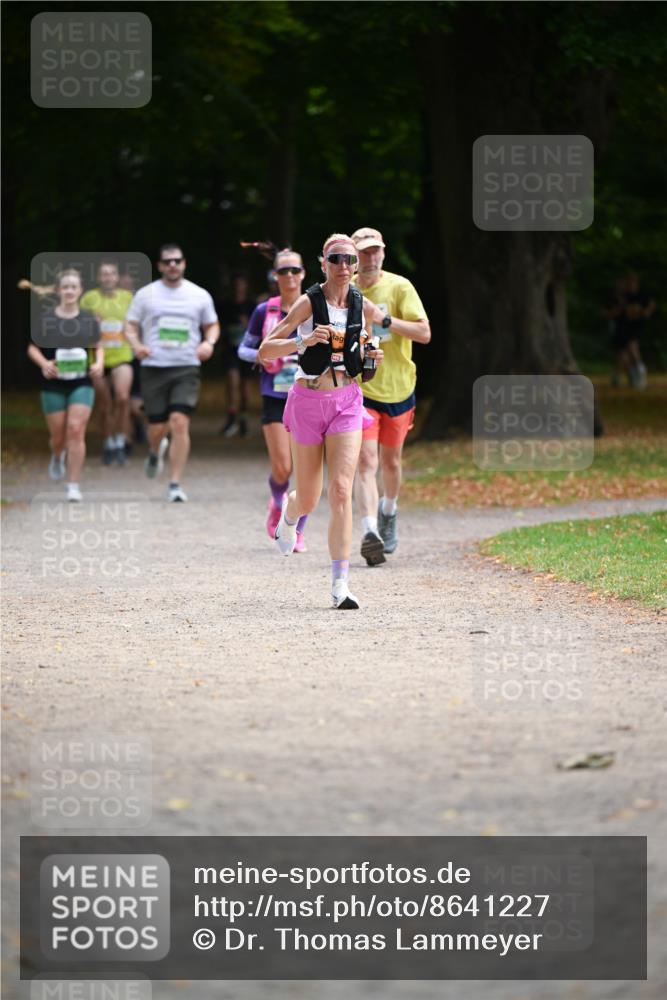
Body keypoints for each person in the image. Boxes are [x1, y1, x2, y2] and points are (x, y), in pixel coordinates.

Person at [258, 233, 384, 609]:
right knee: (310, 496)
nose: (343, 267)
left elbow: (367, 359)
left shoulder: (363, 306)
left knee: (341, 491)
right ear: (323, 263)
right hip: (308, 400)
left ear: (357, 264)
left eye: (349, 260)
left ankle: (339, 584)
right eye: (335, 260)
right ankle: (289, 516)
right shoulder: (306, 303)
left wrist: (372, 356)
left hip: (346, 401)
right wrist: (304, 341)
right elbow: (267, 351)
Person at [351, 227, 431, 565]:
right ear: (353, 257)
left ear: (383, 253)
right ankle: (370, 531)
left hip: (399, 388)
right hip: (361, 389)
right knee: (366, 462)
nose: (370, 258)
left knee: (391, 462)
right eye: (364, 252)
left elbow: (424, 333)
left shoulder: (399, 287)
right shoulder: (346, 289)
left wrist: (382, 318)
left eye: (375, 251)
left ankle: (388, 511)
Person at [123, 243, 220, 502]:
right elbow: (129, 326)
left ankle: (175, 483)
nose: (173, 265)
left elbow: (212, 325)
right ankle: (155, 450)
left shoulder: (199, 295)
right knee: (157, 427)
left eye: (177, 260)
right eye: (167, 262)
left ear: (184, 263)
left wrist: (208, 343)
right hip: (154, 367)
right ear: (160, 266)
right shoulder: (146, 294)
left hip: (186, 366)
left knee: (179, 421)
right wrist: (137, 346)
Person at [237, 248, 309, 551]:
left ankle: (298, 530)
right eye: (283, 271)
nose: (289, 276)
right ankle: (277, 504)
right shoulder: (265, 311)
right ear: (275, 276)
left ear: (304, 273)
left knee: (306, 471)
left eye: (294, 270)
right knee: (283, 467)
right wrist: (262, 357)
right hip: (275, 395)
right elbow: (243, 349)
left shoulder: (315, 307)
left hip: (309, 394)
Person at [27, 269, 103, 502]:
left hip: (81, 382)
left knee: (76, 430)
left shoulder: (88, 319)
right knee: (58, 436)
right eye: (65, 287)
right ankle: (57, 454)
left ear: (80, 290)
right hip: (53, 384)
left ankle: (73, 485)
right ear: (58, 290)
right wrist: (43, 364)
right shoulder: (46, 318)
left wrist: (99, 363)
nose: (69, 291)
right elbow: (32, 347)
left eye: (74, 286)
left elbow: (98, 345)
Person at [80, 262, 134, 465]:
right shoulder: (89, 299)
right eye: (104, 274)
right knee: (104, 405)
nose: (108, 277)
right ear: (98, 278)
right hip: (97, 359)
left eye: (112, 273)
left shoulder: (127, 298)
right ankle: (108, 442)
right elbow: (77, 326)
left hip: (122, 356)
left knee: (122, 398)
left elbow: (137, 323)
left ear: (117, 277)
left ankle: (121, 439)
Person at [218, 271, 256, 437]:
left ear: (246, 286)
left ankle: (243, 419)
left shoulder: (251, 304)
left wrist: (247, 324)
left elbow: (259, 328)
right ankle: (231, 417)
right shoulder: (226, 304)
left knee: (245, 390)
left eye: (242, 284)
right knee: (232, 382)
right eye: (236, 285)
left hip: (248, 351)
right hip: (231, 350)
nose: (239, 288)